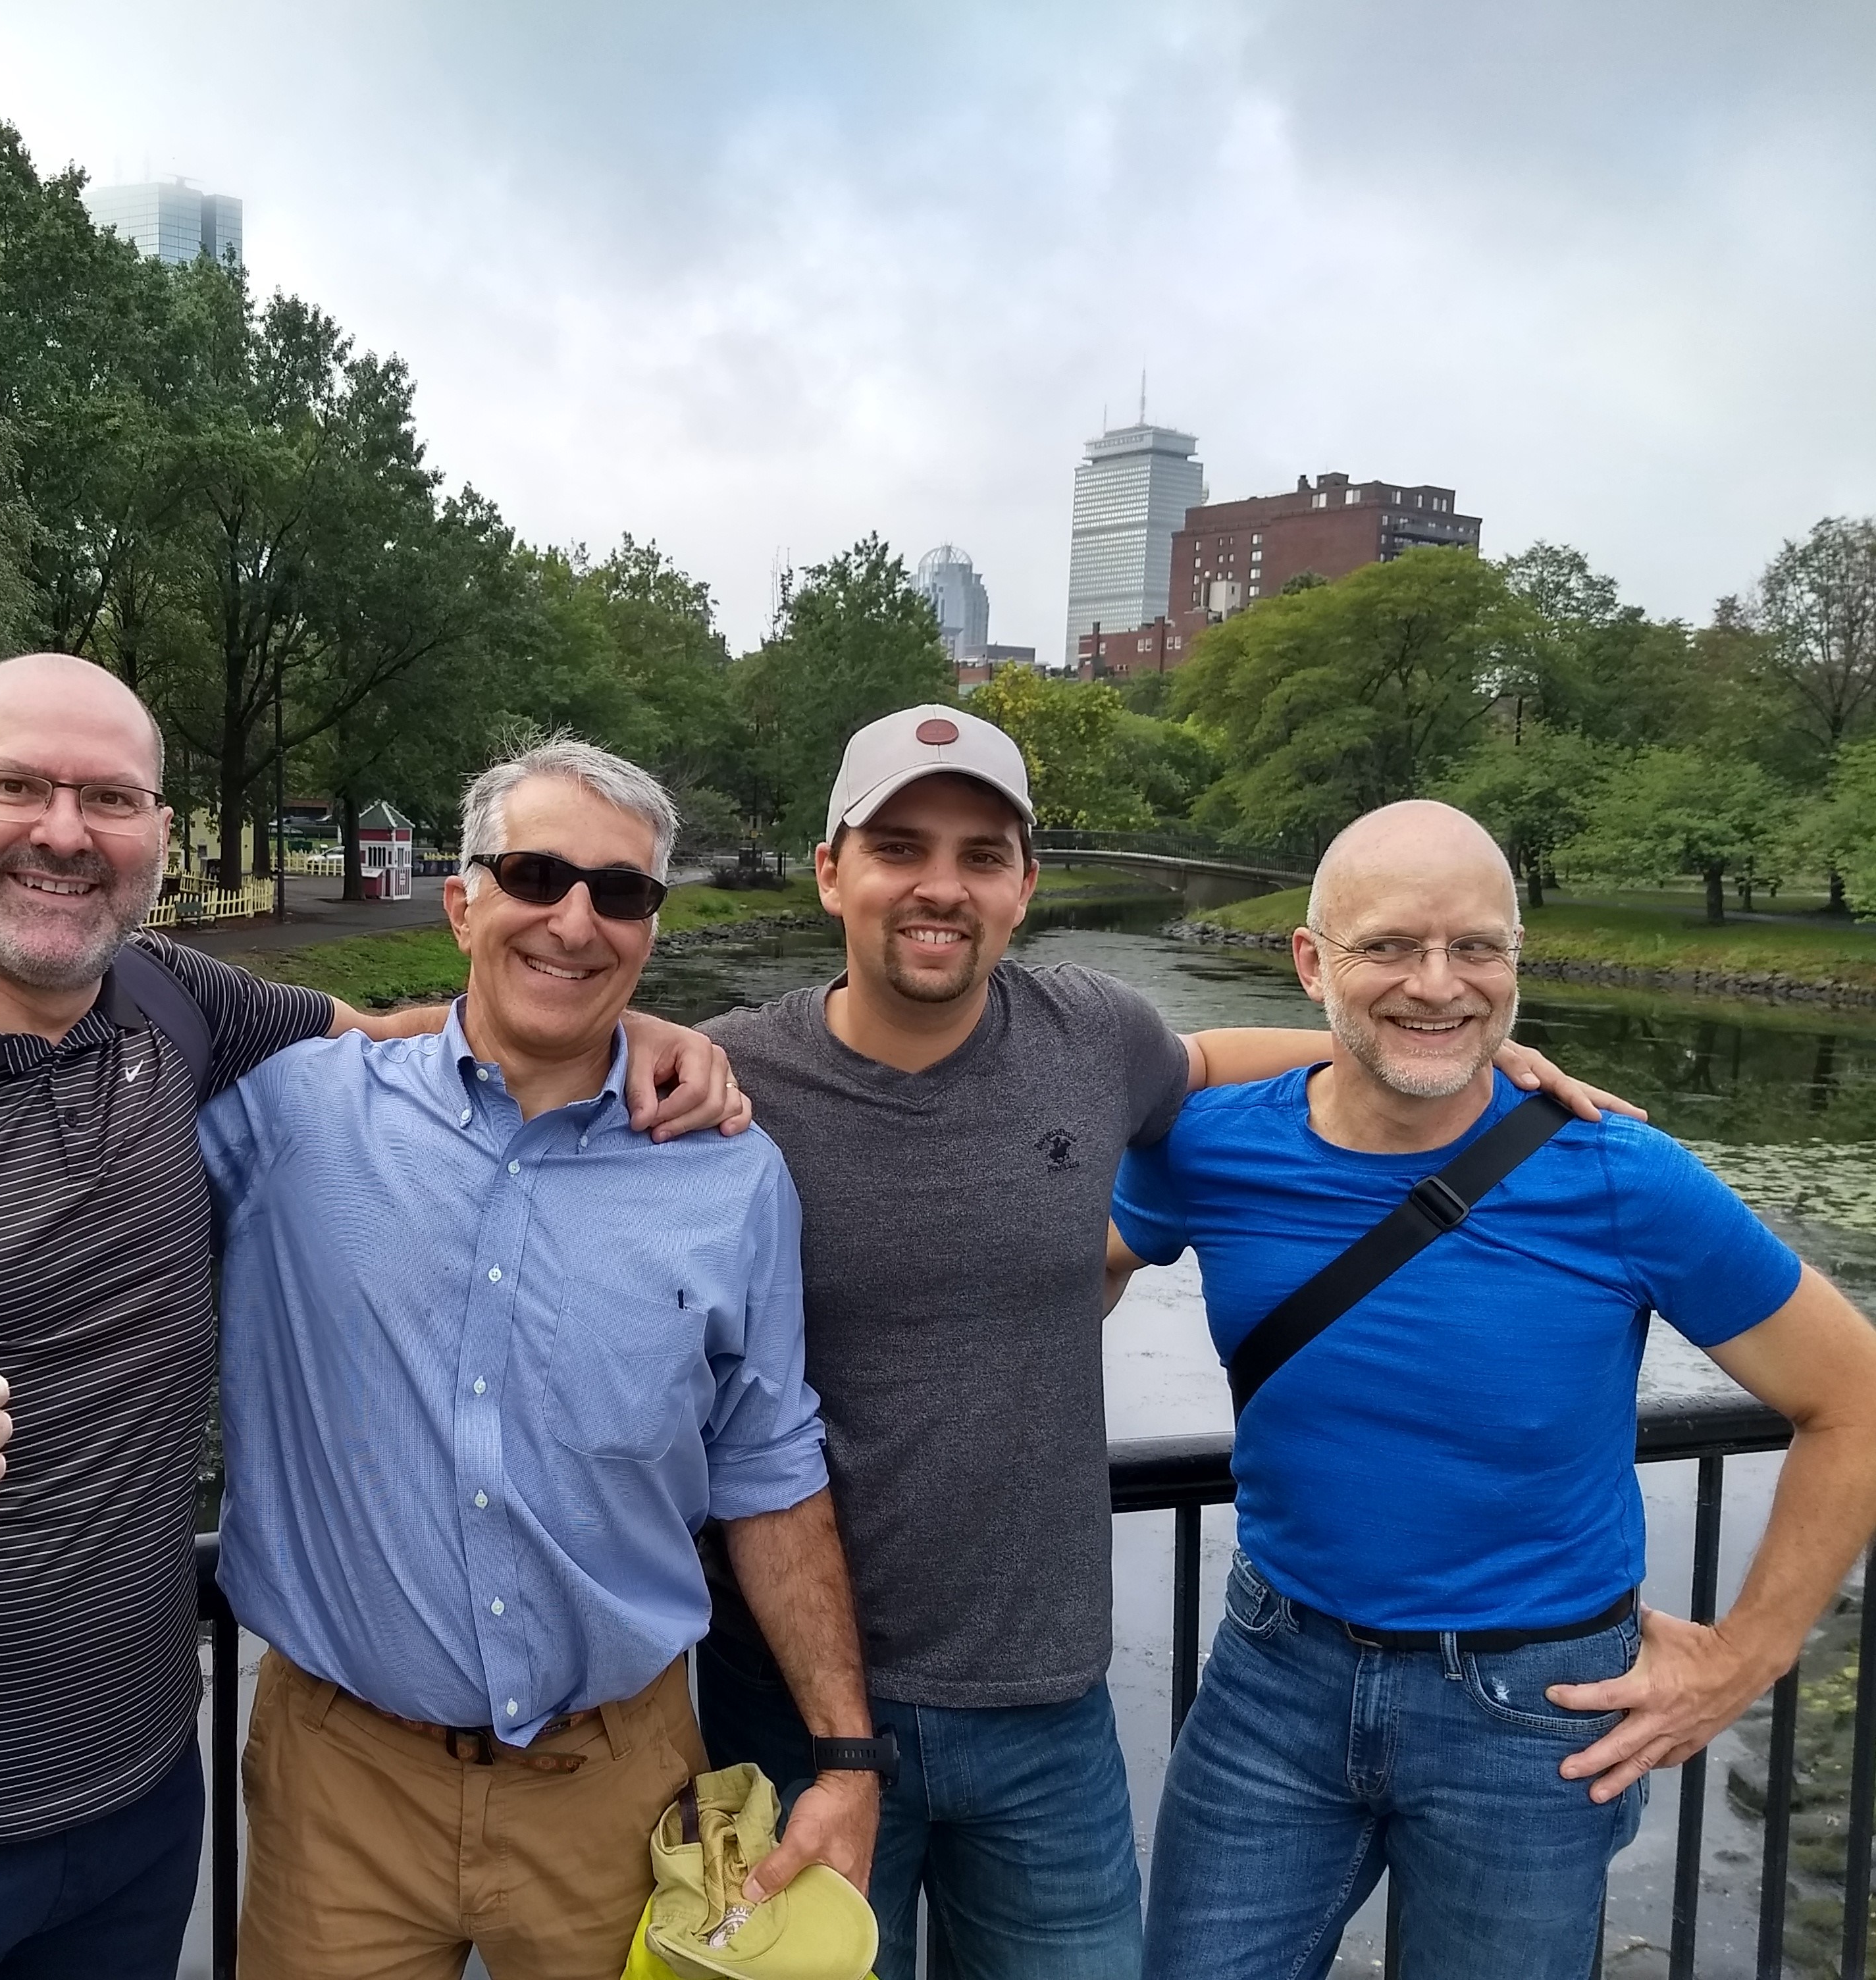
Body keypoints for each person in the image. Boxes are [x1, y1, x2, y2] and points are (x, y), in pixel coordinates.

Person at [0, 655, 743, 1980]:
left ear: (160, 838)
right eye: (15, 785)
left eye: (111, 799)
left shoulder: (181, 1011)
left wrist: (629, 1029)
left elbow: (418, 1042)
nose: (65, 831)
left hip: (136, 1817)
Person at [690, 707, 1628, 1980]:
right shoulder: (724, 1078)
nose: (940, 886)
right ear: (829, 871)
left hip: (1046, 1716)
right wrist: (616, 1034)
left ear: (1025, 884)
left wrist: (1446, 1048)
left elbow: (1207, 1059)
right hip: (795, 1710)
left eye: (982, 855)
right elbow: (515, 1039)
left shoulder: (1091, 1034)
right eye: (900, 846)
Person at [1108, 800, 1876, 1980]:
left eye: (1476, 948)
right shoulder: (1206, 1148)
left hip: (1534, 1715)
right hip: (1274, 1681)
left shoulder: (1619, 1176)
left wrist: (1748, 1657)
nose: (1439, 983)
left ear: (1516, 962)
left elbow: (1856, 1398)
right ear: (1311, 960)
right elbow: (1044, 1292)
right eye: (1391, 947)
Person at [203, 740, 879, 1980]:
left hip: (619, 1791)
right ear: (463, 902)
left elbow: (771, 1469)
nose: (576, 920)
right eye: (535, 874)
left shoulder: (733, 1177)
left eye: (620, 893)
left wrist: (847, 1757)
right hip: (343, 1780)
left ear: (652, 930)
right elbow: (47, 1077)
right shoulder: (297, 1116)